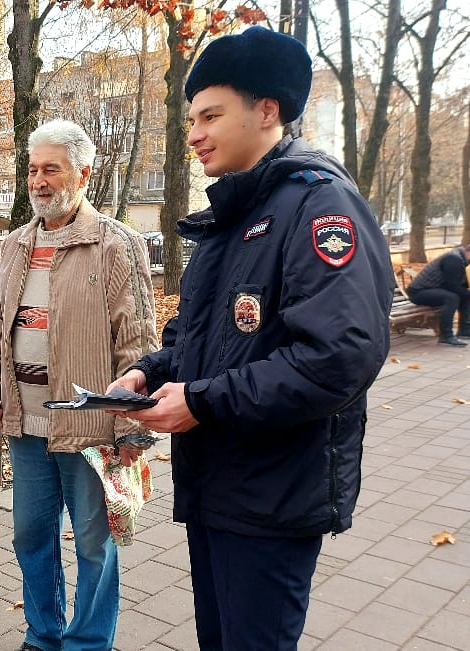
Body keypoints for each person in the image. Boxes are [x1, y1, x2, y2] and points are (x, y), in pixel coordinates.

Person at [109, 27, 395, 651]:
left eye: (211, 115)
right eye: (190, 118)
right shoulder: (231, 217)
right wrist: (150, 374)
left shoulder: (320, 208)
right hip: (219, 483)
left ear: (268, 111)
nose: (193, 134)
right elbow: (201, 340)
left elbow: (337, 358)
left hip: (273, 493)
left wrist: (203, 401)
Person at [0, 119, 158, 651]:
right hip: (25, 423)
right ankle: (43, 635)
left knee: (96, 546)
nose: (38, 180)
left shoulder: (115, 244)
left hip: (92, 427)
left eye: (51, 169)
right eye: (32, 169)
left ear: (83, 173)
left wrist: (131, 425)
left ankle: (89, 642)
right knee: (31, 536)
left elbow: (139, 343)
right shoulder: (12, 246)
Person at [406, 245, 470, 346]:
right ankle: (446, 336)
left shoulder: (461, 260)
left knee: (464, 296)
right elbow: (452, 286)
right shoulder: (453, 259)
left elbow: (461, 284)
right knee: (452, 298)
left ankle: (465, 330)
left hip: (434, 289)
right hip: (418, 292)